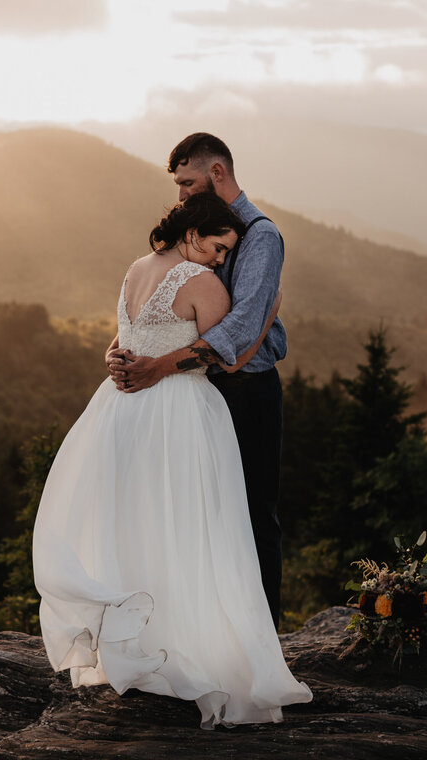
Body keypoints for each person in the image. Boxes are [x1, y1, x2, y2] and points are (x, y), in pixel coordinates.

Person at [32, 192, 311, 730]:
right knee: (196, 530)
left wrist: (115, 357)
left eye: (228, 252)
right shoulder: (199, 282)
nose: (221, 260)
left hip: (124, 414)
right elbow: (233, 356)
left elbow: (123, 339)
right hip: (178, 416)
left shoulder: (136, 269)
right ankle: (196, 654)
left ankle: (150, 652)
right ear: (192, 234)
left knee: (142, 528)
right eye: (218, 247)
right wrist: (269, 309)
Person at [107, 133, 287, 627]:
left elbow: (240, 333)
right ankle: (209, 627)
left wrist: (155, 366)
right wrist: (123, 350)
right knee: (203, 515)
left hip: (246, 390)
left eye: (188, 182)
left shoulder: (260, 236)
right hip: (198, 393)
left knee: (252, 515)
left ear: (217, 174)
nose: (181, 194)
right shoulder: (199, 236)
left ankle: (262, 634)